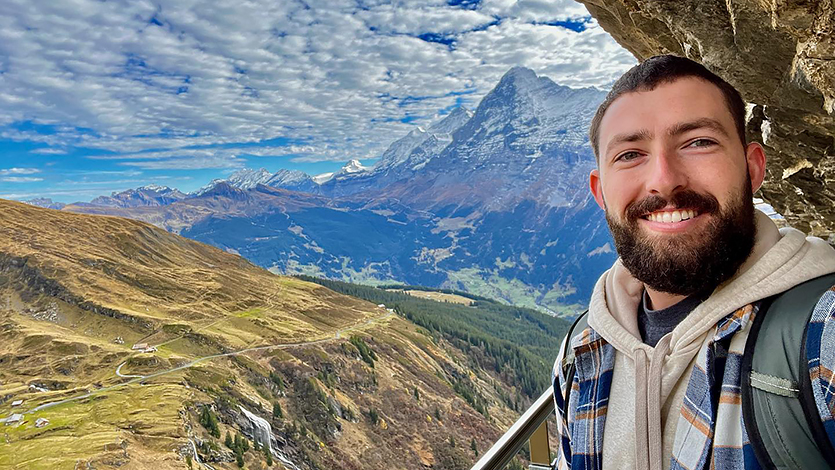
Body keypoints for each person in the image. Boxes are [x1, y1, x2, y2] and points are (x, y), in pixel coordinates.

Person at [551, 54, 835, 470]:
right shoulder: (581, 351)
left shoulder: (821, 331)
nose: (664, 179)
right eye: (630, 154)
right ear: (600, 192)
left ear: (753, 168)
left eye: (698, 142)